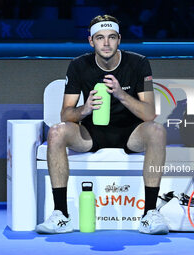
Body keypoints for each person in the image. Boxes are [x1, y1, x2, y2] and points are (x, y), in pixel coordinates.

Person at [36, 14, 169, 235]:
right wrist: (85, 108)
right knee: (57, 132)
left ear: (119, 39)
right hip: (91, 132)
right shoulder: (78, 65)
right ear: (91, 41)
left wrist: (121, 95)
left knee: (156, 131)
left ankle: (150, 214)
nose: (106, 43)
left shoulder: (138, 63)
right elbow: (65, 114)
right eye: (99, 37)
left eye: (111, 37)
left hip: (131, 133)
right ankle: (60, 215)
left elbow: (149, 114)